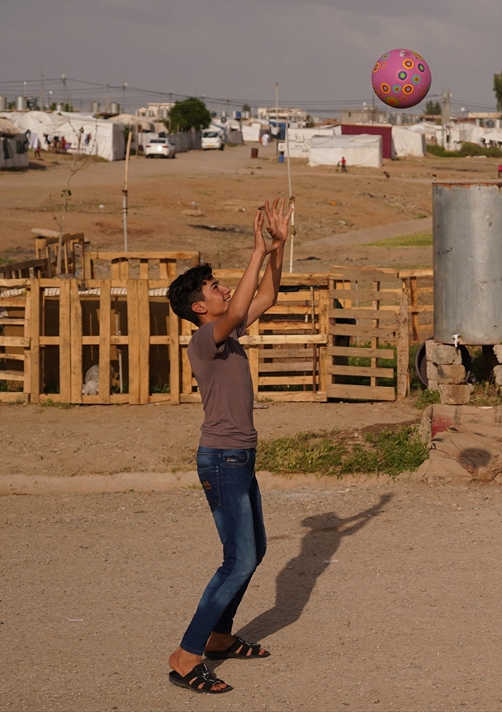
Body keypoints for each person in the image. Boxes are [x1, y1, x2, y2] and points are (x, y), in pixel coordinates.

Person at [163, 198, 291, 694]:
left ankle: (219, 637)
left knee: (251, 551)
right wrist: (257, 248)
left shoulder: (228, 333)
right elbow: (241, 303)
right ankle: (186, 654)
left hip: (238, 457)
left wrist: (278, 247)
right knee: (237, 559)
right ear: (200, 308)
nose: (222, 290)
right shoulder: (203, 340)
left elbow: (268, 296)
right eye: (214, 288)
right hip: (222, 459)